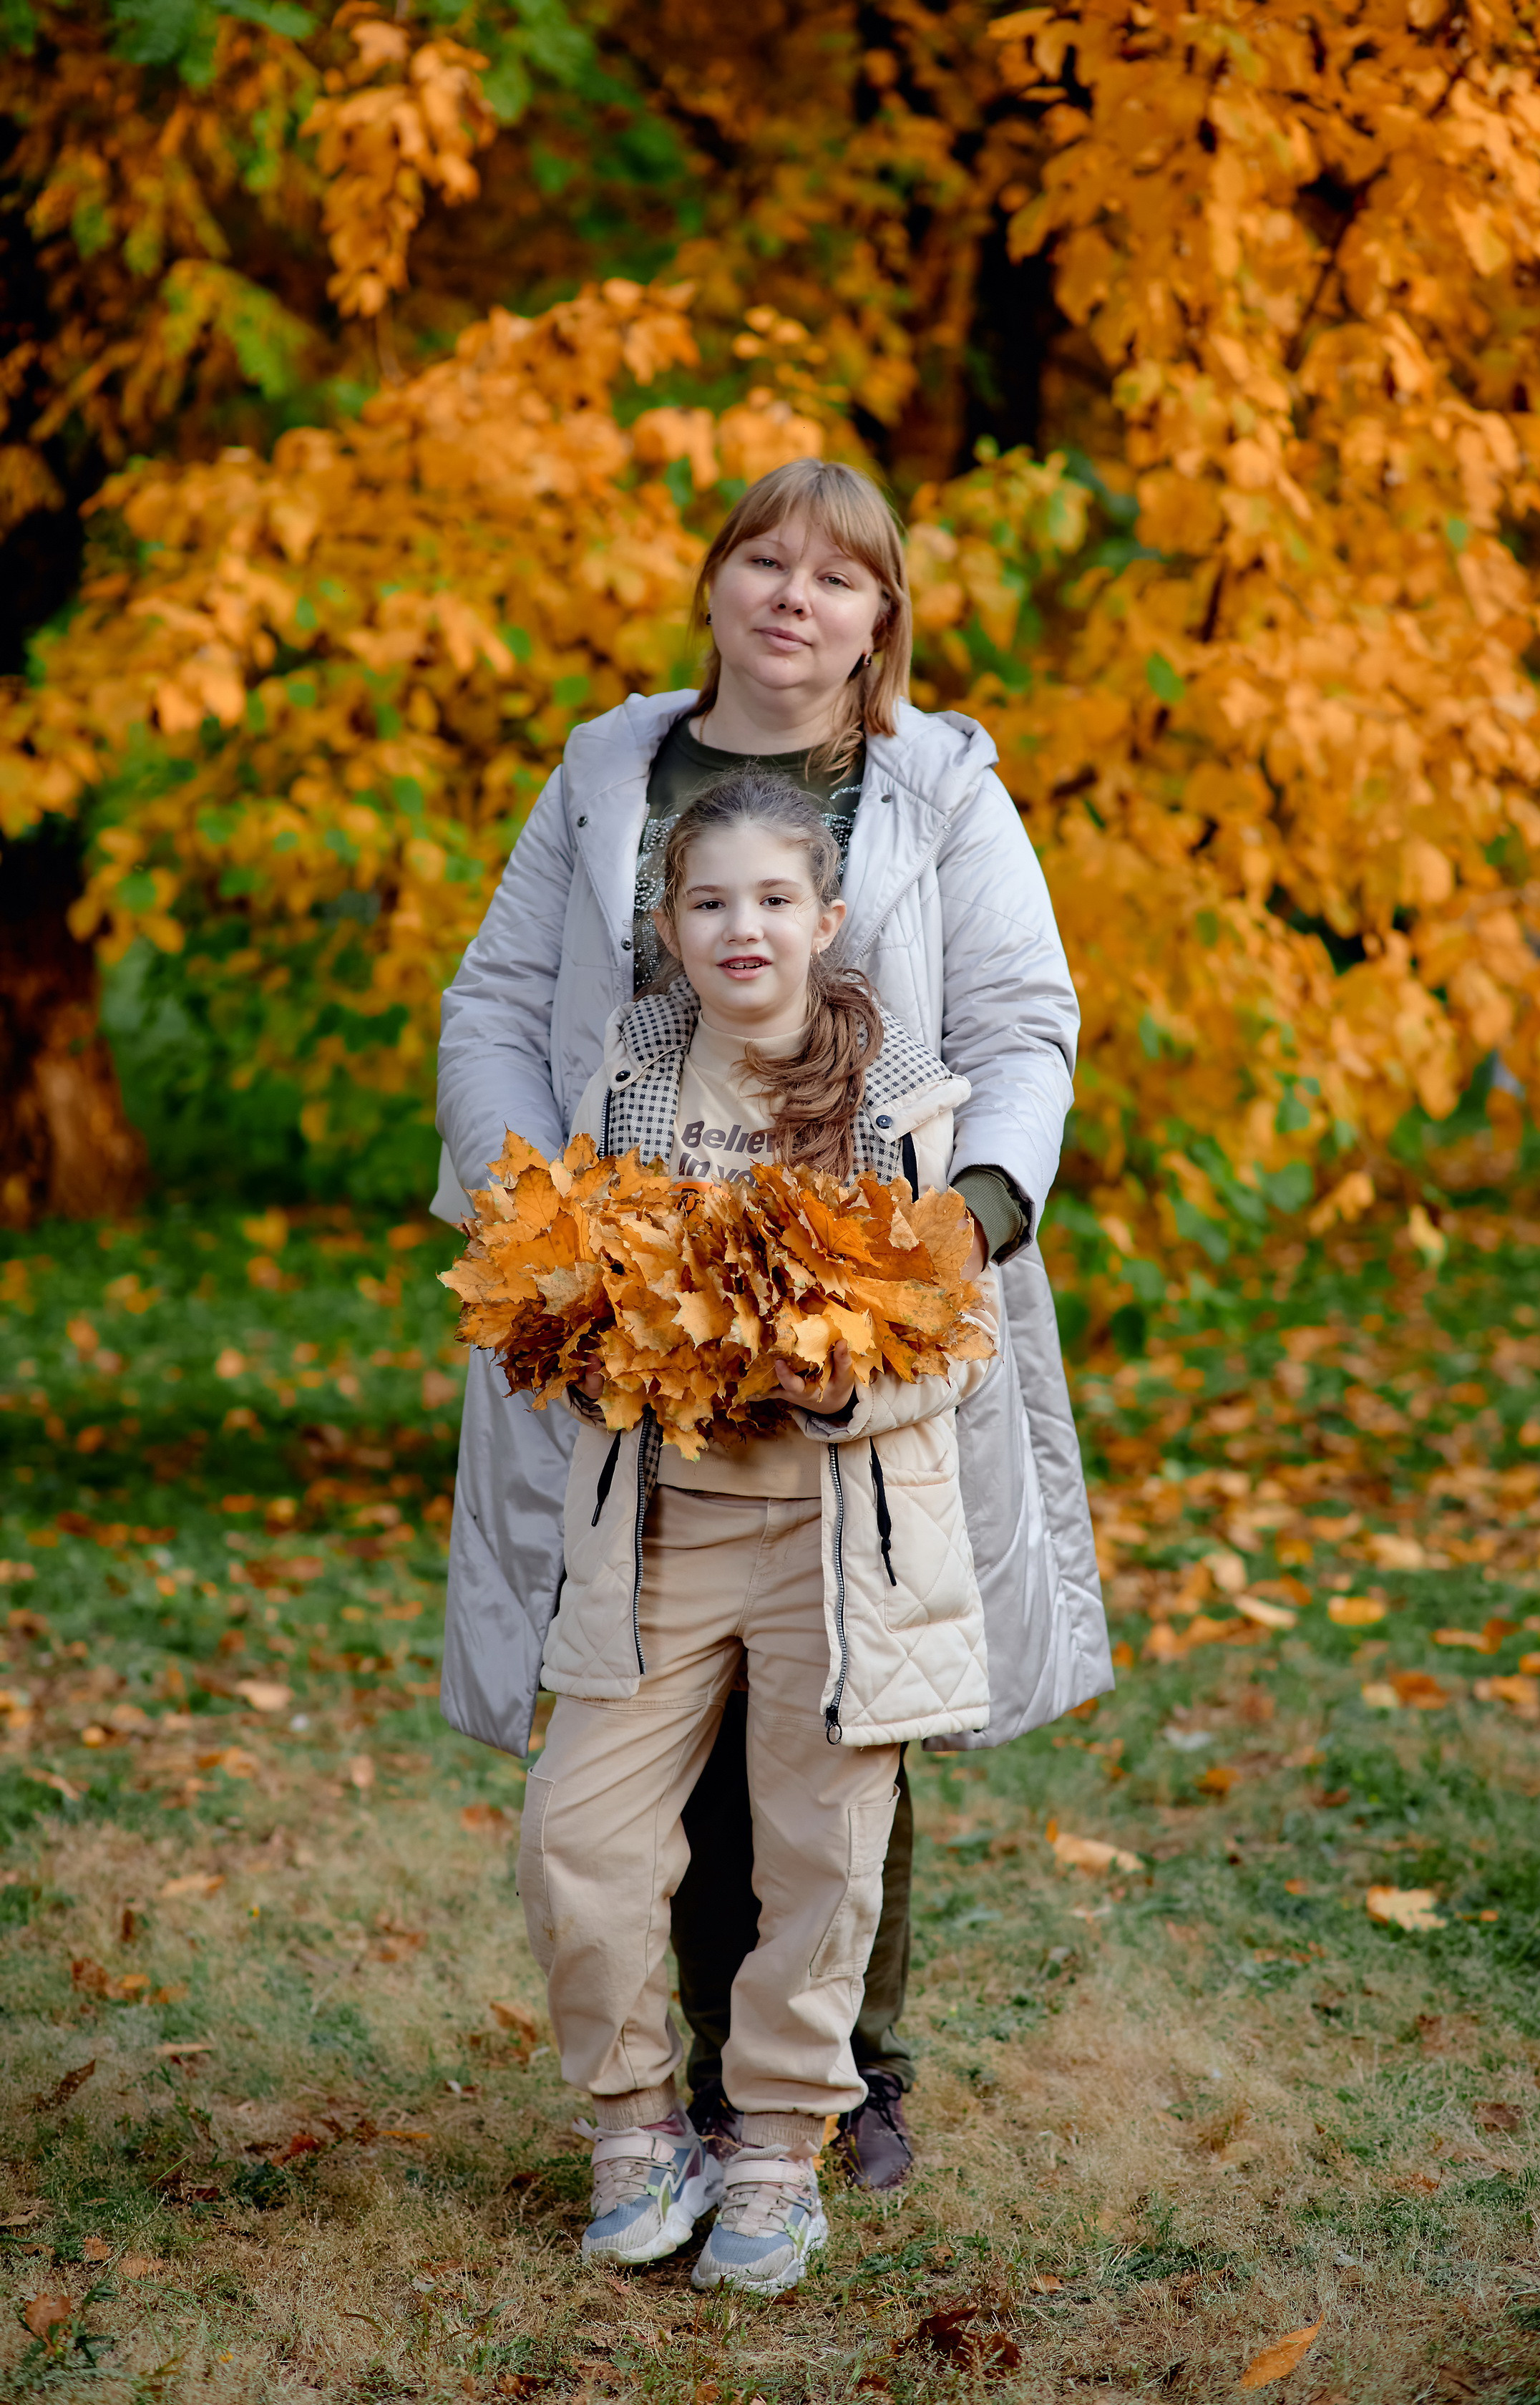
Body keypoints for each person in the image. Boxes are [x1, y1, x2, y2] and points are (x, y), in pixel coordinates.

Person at [432, 457, 1110, 2191]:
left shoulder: (937, 787)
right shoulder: (608, 773)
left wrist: (972, 1216)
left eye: (838, 574)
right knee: (642, 1688)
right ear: (716, 585)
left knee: (844, 1698)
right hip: (631, 1321)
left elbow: (1027, 1019)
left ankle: (841, 2077)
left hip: (852, 1321)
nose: (794, 596)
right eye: (764, 561)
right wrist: (538, 1218)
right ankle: (677, 2096)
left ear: (882, 617)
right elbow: (502, 997)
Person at [528, 769, 997, 2292]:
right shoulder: (627, 1081)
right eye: (710, 901)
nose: (744, 927)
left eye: (775, 899)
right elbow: (575, 1282)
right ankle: (639, 2126)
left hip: (831, 1542)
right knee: (580, 1838)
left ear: (829, 920)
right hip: (657, 1531)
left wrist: (836, 1387)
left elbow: (950, 1336)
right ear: (667, 926)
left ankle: (782, 2149)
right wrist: (584, 1336)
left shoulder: (906, 1104)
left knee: (818, 1851)